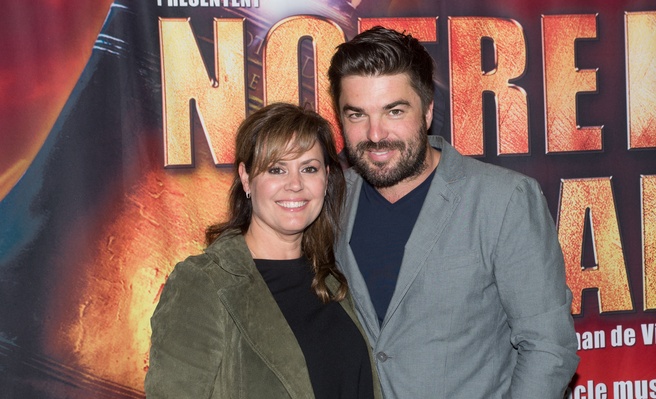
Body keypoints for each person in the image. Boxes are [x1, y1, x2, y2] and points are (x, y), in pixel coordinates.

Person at [327, 26, 579, 398]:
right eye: (356, 115)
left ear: (427, 111)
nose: (375, 134)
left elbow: (548, 348)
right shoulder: (330, 199)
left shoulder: (503, 199)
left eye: (394, 111)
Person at [145, 102, 381, 399]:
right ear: (246, 178)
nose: (295, 185)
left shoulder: (334, 277)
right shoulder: (203, 283)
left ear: (326, 178)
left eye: (309, 168)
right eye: (276, 169)